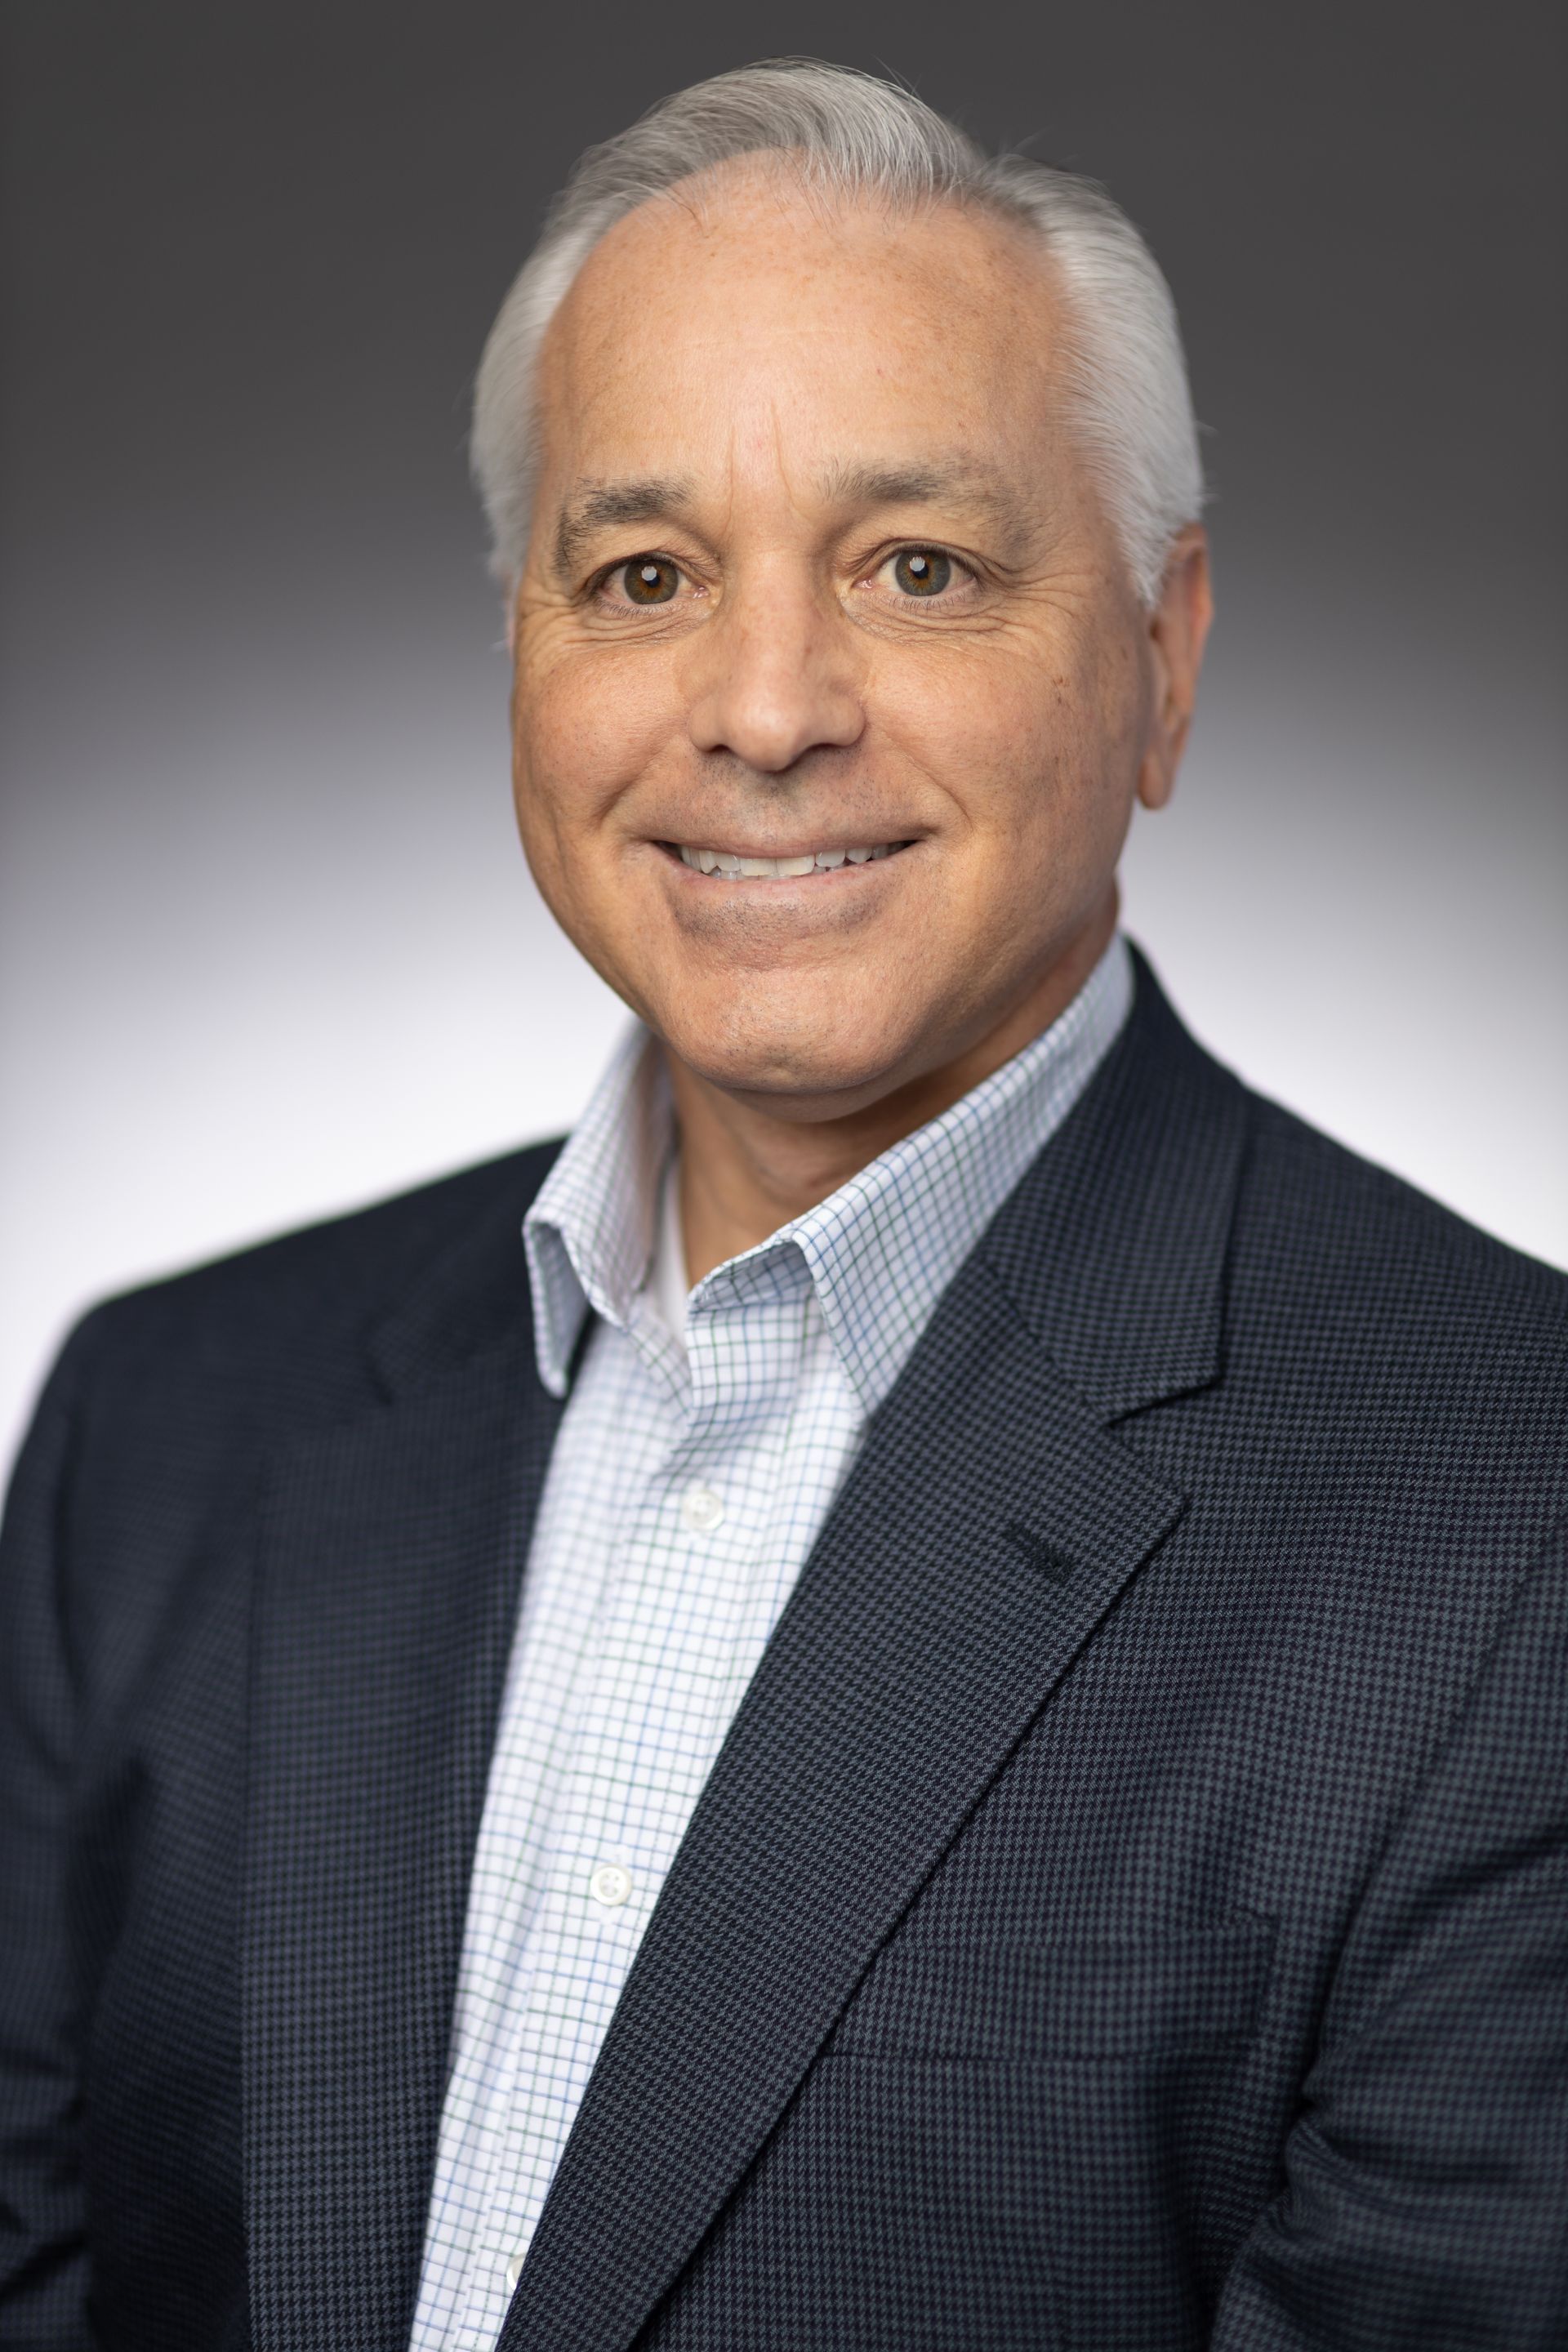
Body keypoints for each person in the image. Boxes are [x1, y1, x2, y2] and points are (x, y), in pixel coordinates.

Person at [2, 56, 1564, 2352]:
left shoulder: (1512, 1524)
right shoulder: (166, 1422)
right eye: (642, 574)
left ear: (1166, 655)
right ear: (521, 653)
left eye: (915, 567)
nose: (759, 708)